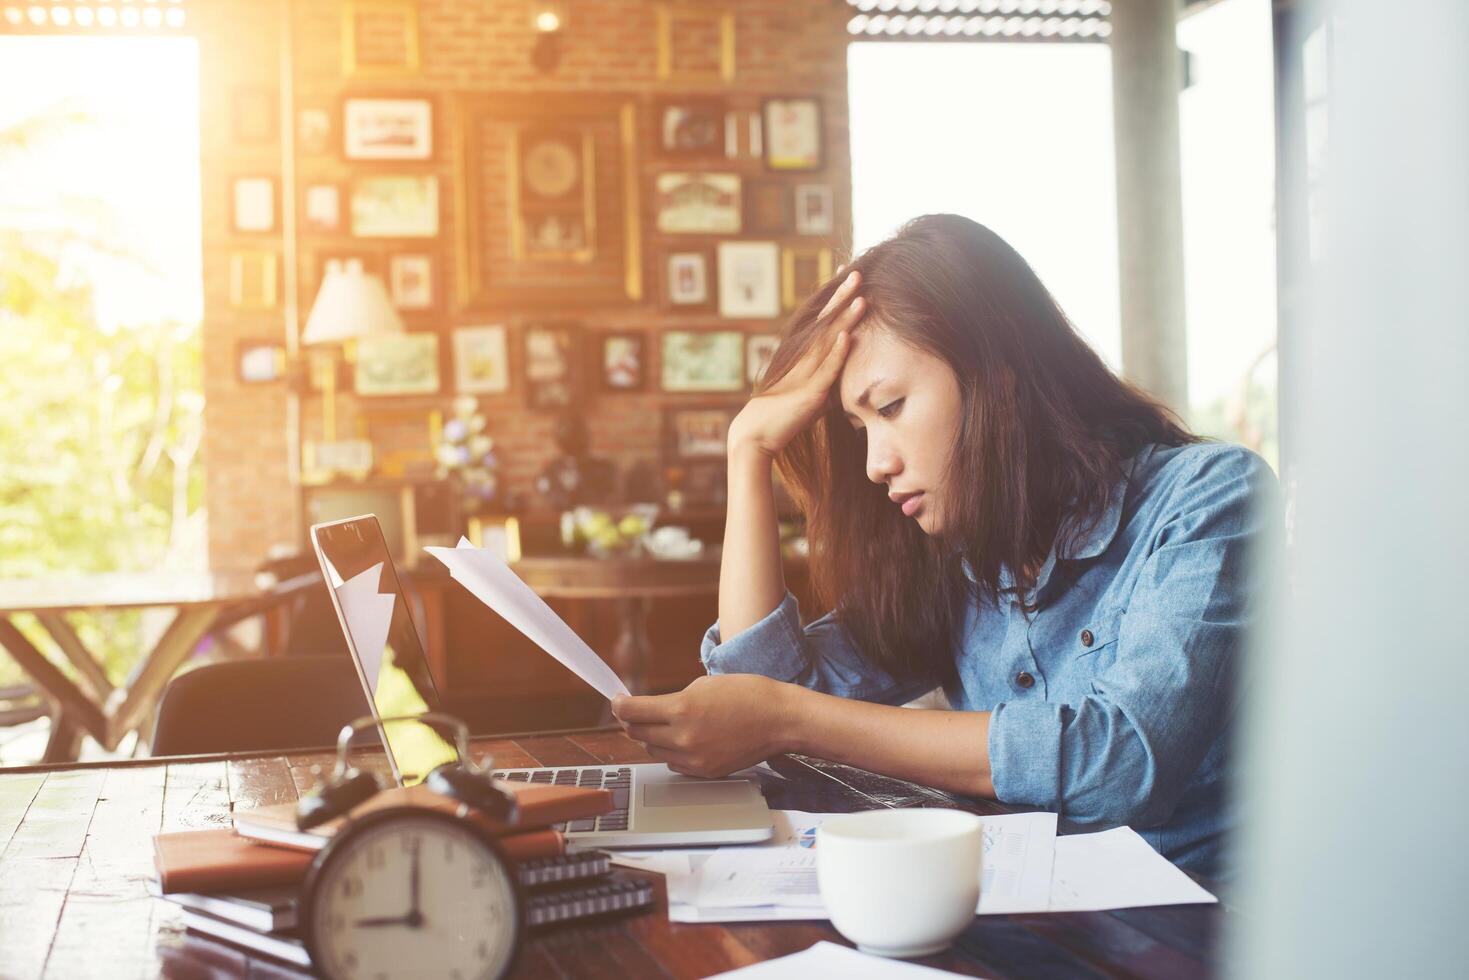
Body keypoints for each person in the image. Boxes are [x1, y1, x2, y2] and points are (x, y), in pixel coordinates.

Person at [611, 214, 1277, 877]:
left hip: (1198, 936)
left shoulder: (1206, 498)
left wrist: (790, 718)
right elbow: (761, 690)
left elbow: (1124, 760)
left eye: (891, 407)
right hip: (1026, 920)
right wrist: (748, 450)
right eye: (857, 426)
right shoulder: (956, 559)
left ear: (998, 375)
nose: (874, 464)